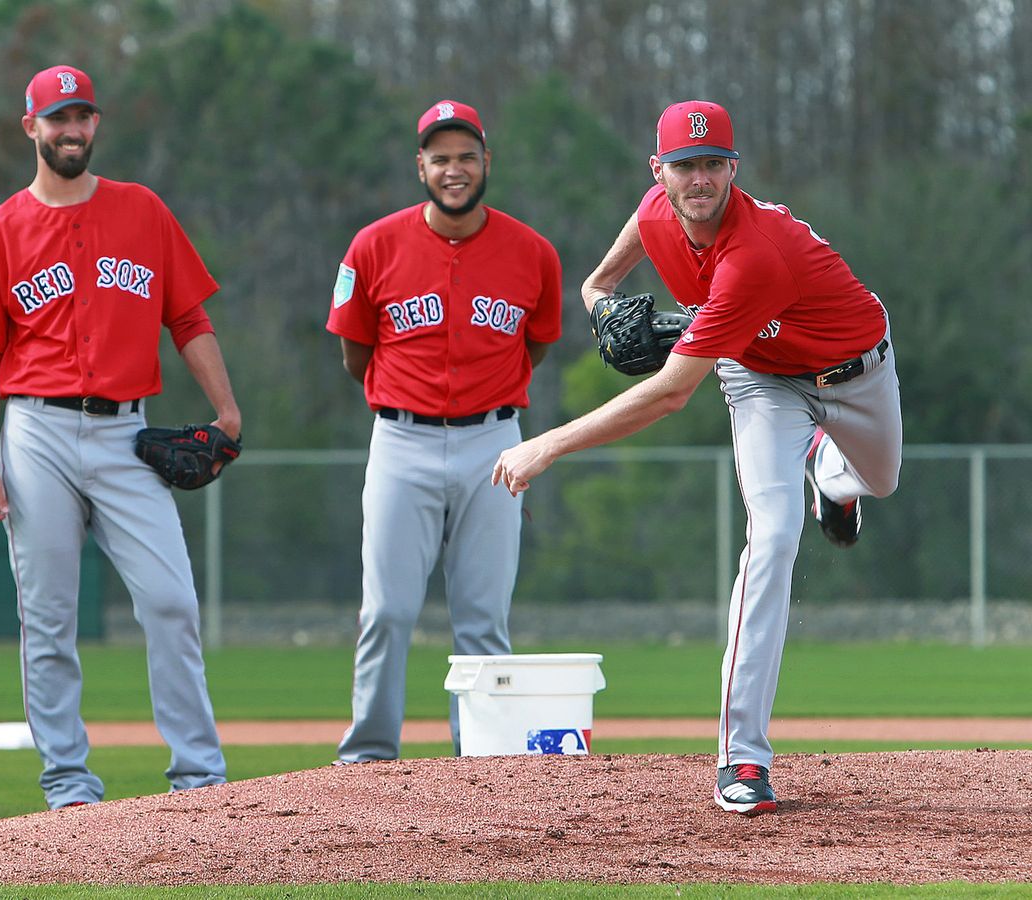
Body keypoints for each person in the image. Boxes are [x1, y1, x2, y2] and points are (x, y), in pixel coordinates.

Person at [493, 100, 901, 815]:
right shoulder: (657, 211)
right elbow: (623, 250)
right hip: (759, 379)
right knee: (772, 537)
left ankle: (834, 478)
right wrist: (596, 295)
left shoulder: (755, 256)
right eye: (685, 165)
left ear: (733, 170)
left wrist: (547, 442)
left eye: (714, 164)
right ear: (661, 171)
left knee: (882, 478)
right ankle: (743, 759)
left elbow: (668, 396)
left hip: (858, 374)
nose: (699, 179)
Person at [0, 65, 240, 809]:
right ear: (31, 128)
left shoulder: (142, 210)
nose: (70, 130)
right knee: (47, 615)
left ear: (95, 124)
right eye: (56, 118)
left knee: (171, 600)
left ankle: (198, 774)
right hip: (36, 431)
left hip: (126, 431)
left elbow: (188, 319)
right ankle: (68, 781)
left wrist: (226, 409)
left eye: (80, 116)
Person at [327, 100, 562, 762]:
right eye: (440, 157)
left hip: (495, 440)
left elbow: (535, 345)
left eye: (465, 156)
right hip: (401, 439)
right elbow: (355, 352)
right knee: (386, 612)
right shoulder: (372, 246)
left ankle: (482, 756)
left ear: (487, 162)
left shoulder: (534, 252)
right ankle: (368, 754)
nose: (453, 169)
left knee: (484, 619)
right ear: (419, 167)